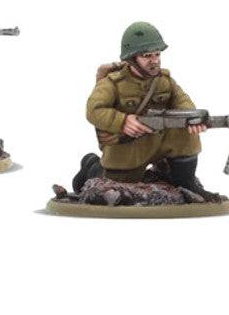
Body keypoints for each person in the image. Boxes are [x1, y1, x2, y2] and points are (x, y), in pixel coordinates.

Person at [75, 21, 206, 193]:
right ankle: (92, 166)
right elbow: (94, 110)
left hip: (160, 140)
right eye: (147, 56)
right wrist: (123, 121)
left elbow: (182, 101)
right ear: (132, 58)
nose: (155, 60)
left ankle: (185, 184)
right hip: (129, 145)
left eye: (157, 54)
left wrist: (192, 118)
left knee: (185, 132)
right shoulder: (113, 83)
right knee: (119, 182)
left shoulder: (165, 81)